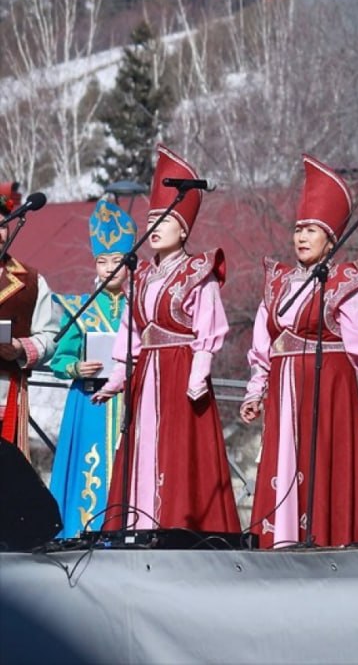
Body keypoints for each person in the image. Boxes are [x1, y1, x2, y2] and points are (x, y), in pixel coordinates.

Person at [241, 155, 358, 548]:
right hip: (285, 386)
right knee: (283, 459)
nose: (301, 238)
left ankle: (326, 536)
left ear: (330, 238)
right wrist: (256, 388)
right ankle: (283, 537)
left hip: (327, 388)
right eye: (297, 230)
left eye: (311, 230)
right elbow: (263, 341)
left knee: (323, 462)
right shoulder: (279, 282)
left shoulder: (344, 282)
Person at [92, 145, 240, 533]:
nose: (155, 227)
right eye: (152, 218)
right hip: (147, 377)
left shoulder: (197, 270)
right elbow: (131, 333)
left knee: (178, 450)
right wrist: (116, 379)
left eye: (166, 219)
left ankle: (181, 525)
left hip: (180, 370)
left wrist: (198, 372)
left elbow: (210, 326)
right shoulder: (139, 276)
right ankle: (139, 524)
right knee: (142, 447)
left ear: (184, 229)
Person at [47, 199, 135, 537]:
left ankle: (124, 531)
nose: (110, 268)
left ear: (128, 263)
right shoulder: (80, 307)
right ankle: (81, 530)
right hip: (89, 403)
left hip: (129, 402)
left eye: (117, 261)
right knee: (89, 466)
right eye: (102, 261)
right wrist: (76, 367)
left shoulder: (139, 306)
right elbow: (59, 359)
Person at [0, 184, 57, 459]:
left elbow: (50, 335)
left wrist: (21, 347)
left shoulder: (30, 281)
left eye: (2, 226)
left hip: (5, 391)